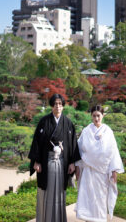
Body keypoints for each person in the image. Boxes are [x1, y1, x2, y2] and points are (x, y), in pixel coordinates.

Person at [28, 93, 80, 222]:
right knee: (45, 191)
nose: (58, 106)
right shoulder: (44, 122)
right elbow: (37, 142)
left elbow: (73, 145)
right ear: (52, 105)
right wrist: (36, 161)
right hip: (46, 163)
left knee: (59, 193)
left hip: (62, 163)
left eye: (60, 104)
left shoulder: (68, 123)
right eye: (55, 104)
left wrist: (72, 163)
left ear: (63, 106)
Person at [75, 105, 124, 222]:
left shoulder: (108, 131)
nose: (96, 118)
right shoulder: (86, 131)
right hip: (88, 170)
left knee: (101, 198)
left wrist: (114, 171)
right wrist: (77, 167)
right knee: (87, 197)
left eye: (98, 116)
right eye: (94, 116)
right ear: (91, 116)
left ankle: (100, 220)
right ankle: (88, 219)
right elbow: (79, 150)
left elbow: (113, 152)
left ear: (103, 116)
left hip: (103, 171)